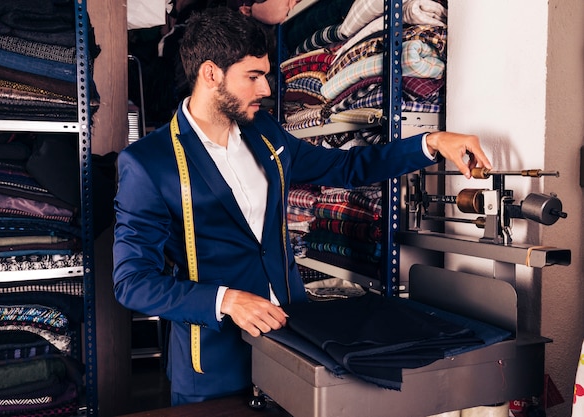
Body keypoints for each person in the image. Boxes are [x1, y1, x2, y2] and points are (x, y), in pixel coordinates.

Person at [112, 6, 492, 406]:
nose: (266, 89)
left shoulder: (265, 133)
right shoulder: (148, 164)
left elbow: (345, 167)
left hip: (297, 342)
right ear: (211, 74)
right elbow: (133, 282)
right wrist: (225, 299)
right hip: (214, 361)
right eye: (253, 76)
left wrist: (428, 143)